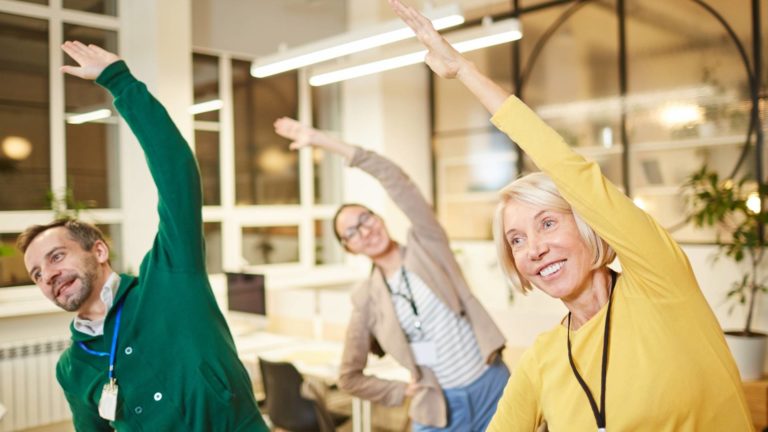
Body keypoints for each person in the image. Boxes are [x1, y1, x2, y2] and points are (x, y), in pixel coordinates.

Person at [388, 1, 753, 431]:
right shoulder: (543, 360)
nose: (535, 248)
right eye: (517, 240)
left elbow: (569, 168)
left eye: (547, 223)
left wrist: (464, 71)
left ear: (585, 224)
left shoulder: (660, 283)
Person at [17, 42, 268, 431]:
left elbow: (178, 174)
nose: (47, 275)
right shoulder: (73, 367)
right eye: (36, 274)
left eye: (55, 257)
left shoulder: (171, 276)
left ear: (99, 249)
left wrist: (120, 82)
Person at [273, 118, 508, 431]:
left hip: (492, 386)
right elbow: (349, 376)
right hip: (440, 408)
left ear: (378, 217)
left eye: (365, 218)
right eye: (352, 232)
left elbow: (395, 178)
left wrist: (322, 141)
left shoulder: (427, 244)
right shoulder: (367, 299)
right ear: (349, 248)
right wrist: (400, 391)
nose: (365, 231)